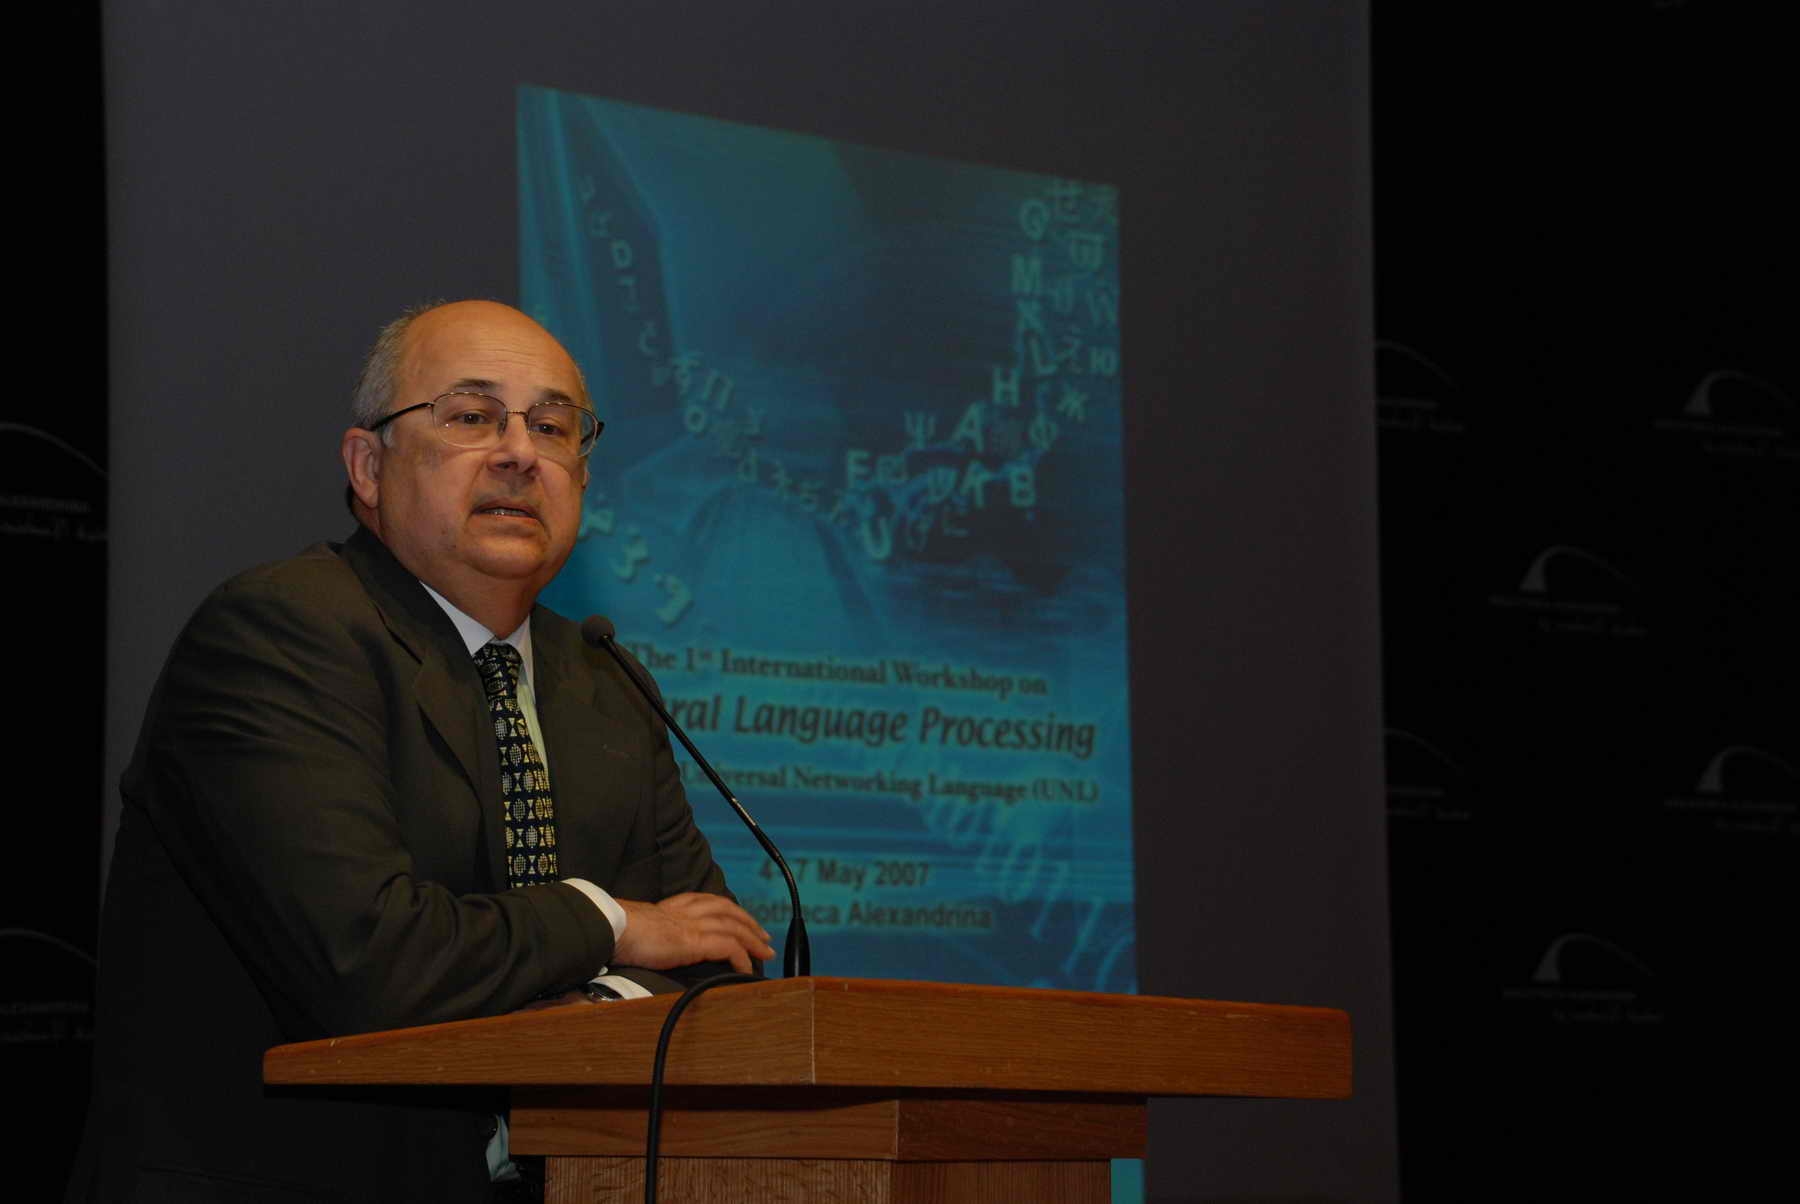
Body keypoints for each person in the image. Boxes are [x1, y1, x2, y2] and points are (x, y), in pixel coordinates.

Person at [68, 300, 773, 1202]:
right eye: (471, 417)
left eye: (552, 427)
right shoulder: (280, 636)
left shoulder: (604, 680)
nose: (518, 453)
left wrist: (586, 1018)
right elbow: (374, 963)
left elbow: (717, 961)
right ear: (368, 467)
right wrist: (612, 922)